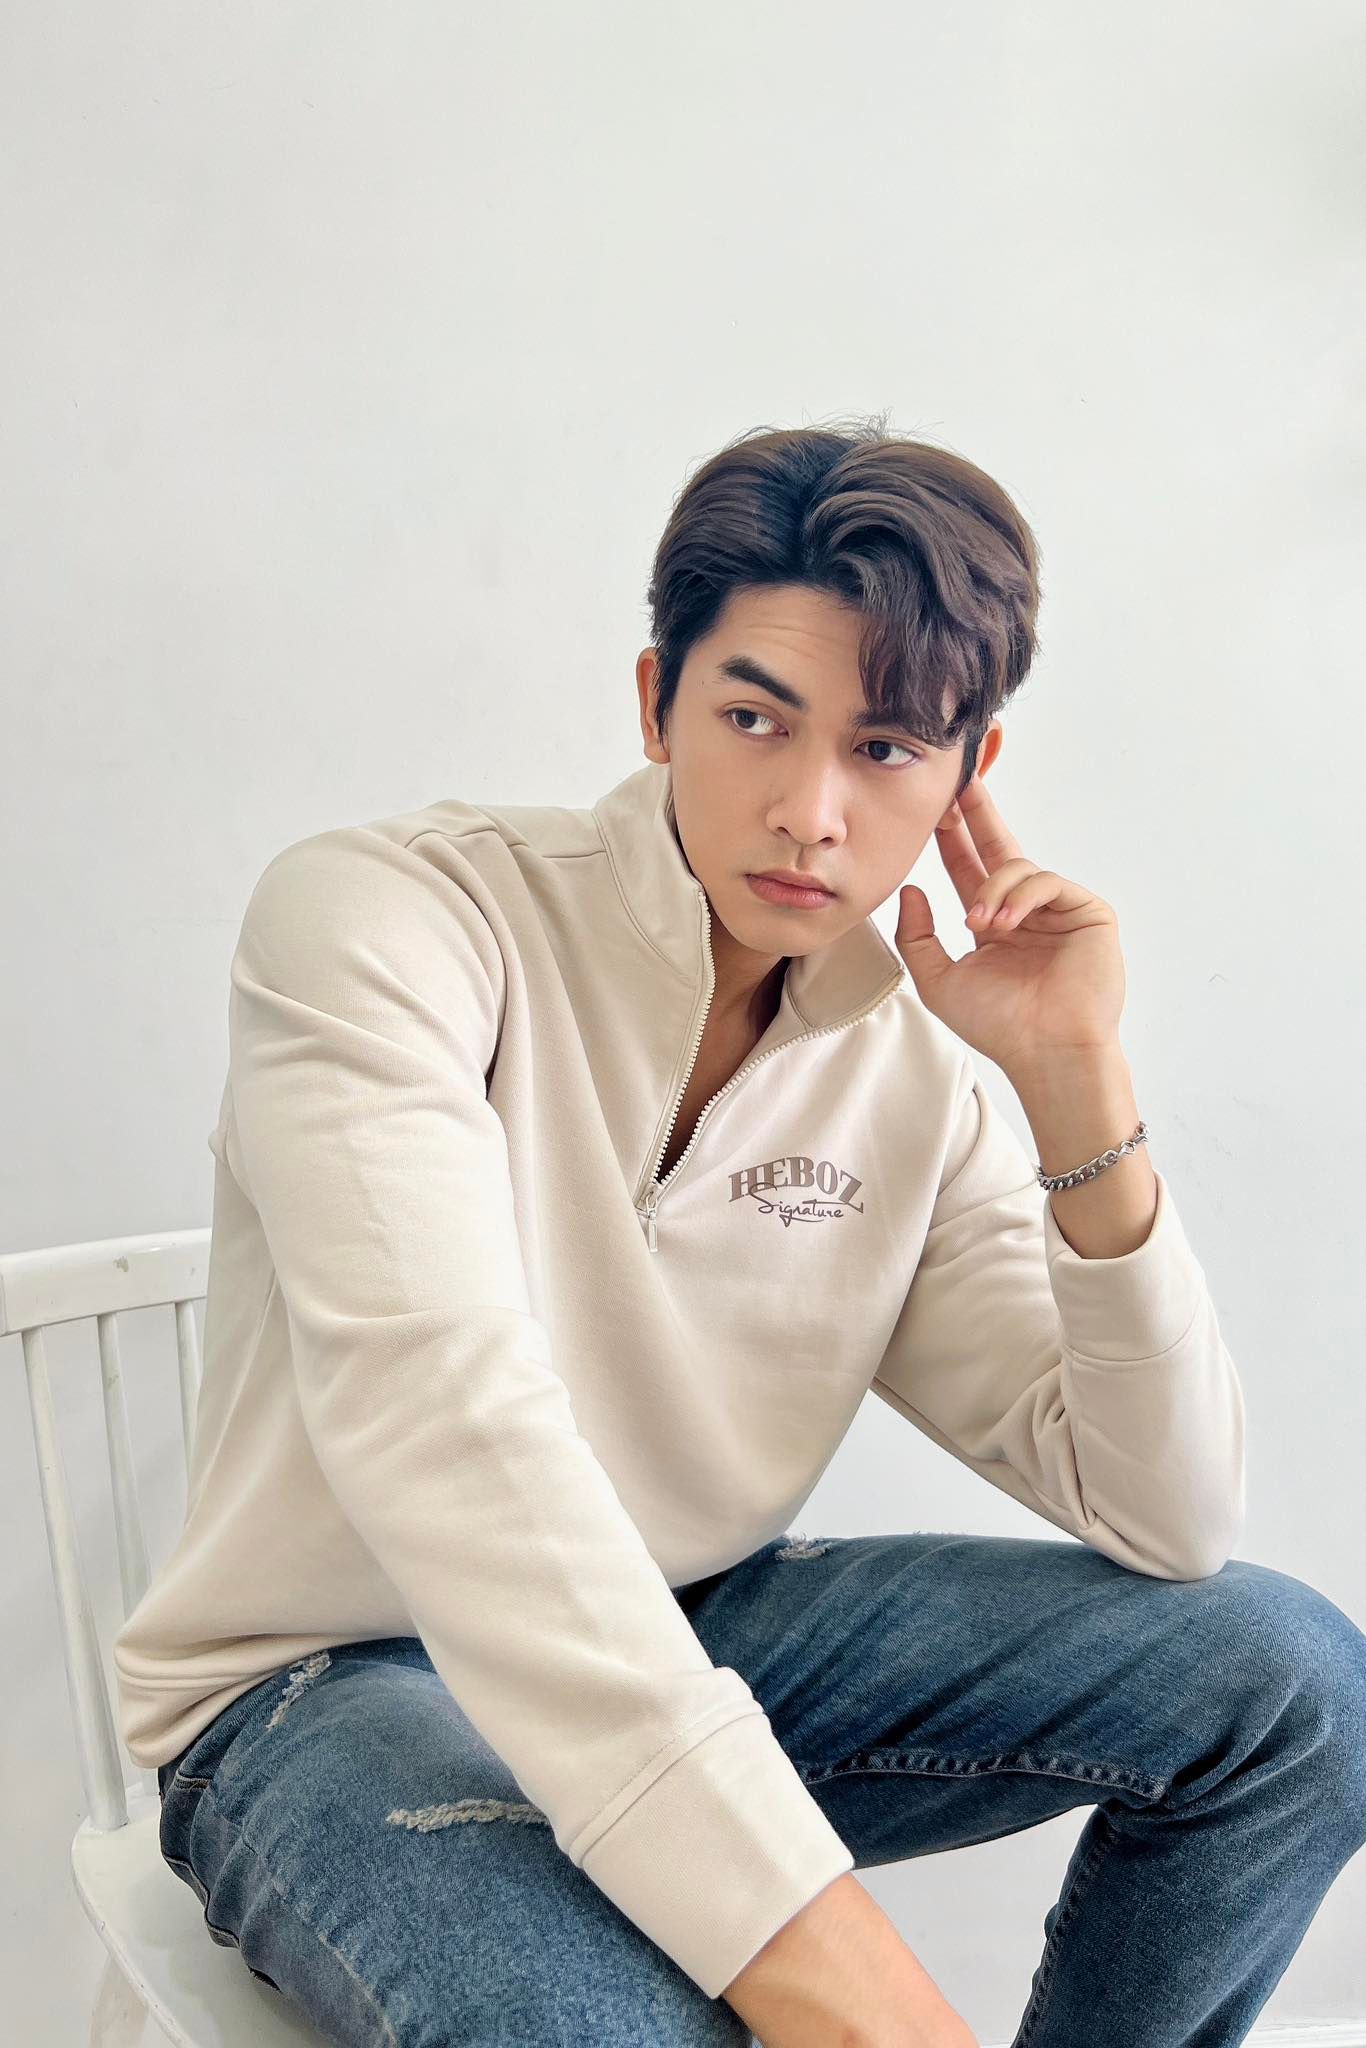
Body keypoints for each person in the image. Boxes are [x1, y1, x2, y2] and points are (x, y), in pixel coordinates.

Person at [117, 420, 1366, 2047]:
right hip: (326, 1685)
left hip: (694, 1628)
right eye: (753, 719)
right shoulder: (394, 920)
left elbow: (1167, 1516)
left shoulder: (911, 1075)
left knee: (1290, 1686)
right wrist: (866, 2004)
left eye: (886, 747)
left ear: (968, 772)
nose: (809, 812)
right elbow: (445, 1426)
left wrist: (1074, 1083)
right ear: (655, 704)